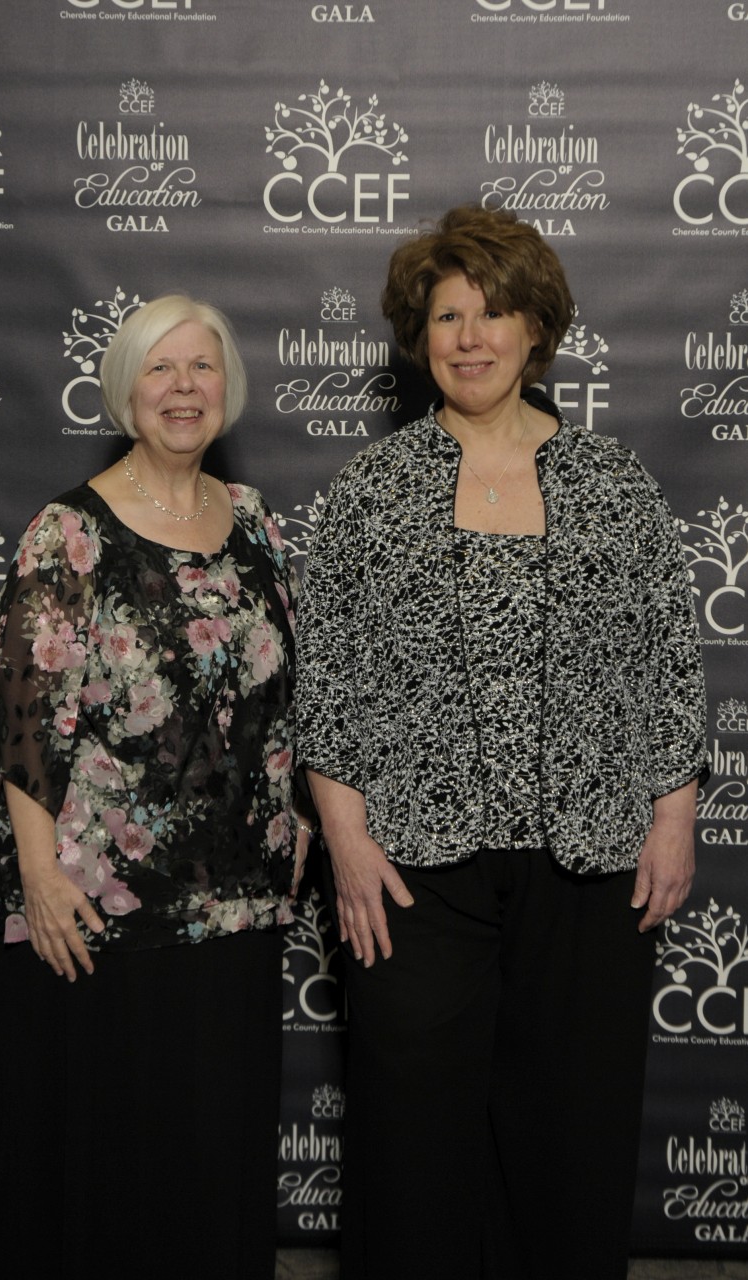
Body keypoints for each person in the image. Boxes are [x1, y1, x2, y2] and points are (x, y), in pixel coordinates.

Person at [295, 206, 707, 1280]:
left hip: (590, 865)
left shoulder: (614, 484)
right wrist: (345, 841)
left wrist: (673, 819)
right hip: (414, 870)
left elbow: (667, 664)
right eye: (447, 316)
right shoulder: (370, 490)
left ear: (537, 330)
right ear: (418, 336)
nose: (470, 338)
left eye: (494, 313)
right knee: (412, 1141)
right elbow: (328, 682)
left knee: (570, 1133)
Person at [0, 294, 311, 1280]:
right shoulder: (67, 531)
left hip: (237, 902)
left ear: (227, 388)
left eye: (202, 367)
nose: (183, 388)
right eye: (161, 368)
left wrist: (299, 821)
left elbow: (289, 692)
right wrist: (39, 876)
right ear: (125, 391)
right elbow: (22, 718)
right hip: (94, 904)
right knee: (96, 1167)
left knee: (211, 1162)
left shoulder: (255, 522)